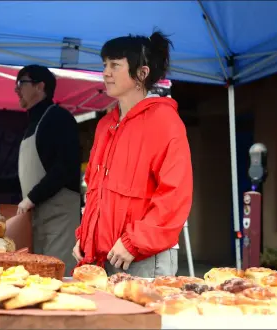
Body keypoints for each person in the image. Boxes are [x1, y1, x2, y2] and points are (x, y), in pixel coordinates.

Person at [72, 31, 193, 278]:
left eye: (115, 65)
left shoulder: (165, 121)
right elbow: (95, 189)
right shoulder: (106, 125)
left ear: (142, 73)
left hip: (145, 257)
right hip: (101, 257)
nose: (106, 72)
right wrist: (85, 236)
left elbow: (174, 194)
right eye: (104, 64)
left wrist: (134, 242)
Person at [0, 65, 81, 276]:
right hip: (38, 218)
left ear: (40, 86)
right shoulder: (33, 123)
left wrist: (32, 198)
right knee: (41, 276)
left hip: (60, 219)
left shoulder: (59, 118)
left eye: (21, 83)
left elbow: (63, 168)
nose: (16, 90)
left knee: (59, 275)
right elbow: (32, 177)